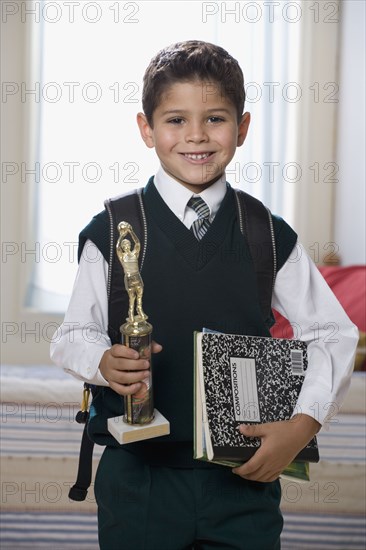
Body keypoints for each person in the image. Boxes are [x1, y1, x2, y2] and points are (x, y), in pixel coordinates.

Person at [51, 40, 358, 550]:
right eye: (175, 120)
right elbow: (72, 335)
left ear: (242, 127)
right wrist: (102, 361)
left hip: (243, 482)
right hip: (138, 482)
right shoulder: (112, 229)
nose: (196, 136)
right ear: (146, 129)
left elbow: (332, 332)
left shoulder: (267, 232)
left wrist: (302, 426)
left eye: (215, 118)